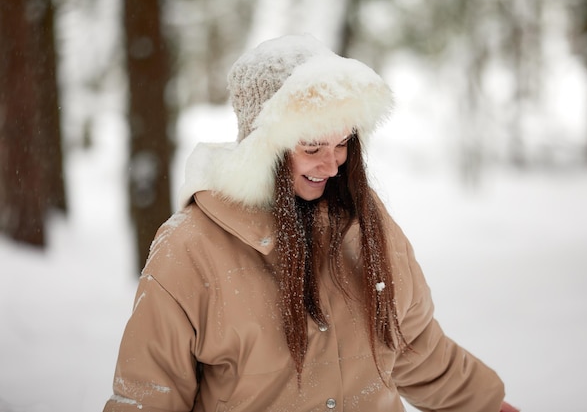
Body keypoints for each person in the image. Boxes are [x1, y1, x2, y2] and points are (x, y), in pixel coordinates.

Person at [103, 34, 519, 412]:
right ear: (263, 146)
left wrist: (485, 404)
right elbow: (146, 397)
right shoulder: (190, 248)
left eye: (342, 144)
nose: (332, 164)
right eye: (313, 146)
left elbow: (414, 347)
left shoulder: (367, 225)